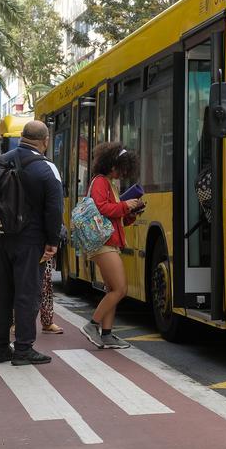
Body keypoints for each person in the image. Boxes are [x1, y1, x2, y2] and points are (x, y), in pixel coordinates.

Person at [0, 120, 63, 366]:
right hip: (31, 241)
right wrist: (52, 241)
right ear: (45, 141)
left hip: (0, 238)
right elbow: (54, 207)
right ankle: (23, 348)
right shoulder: (46, 168)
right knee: (27, 293)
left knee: (2, 293)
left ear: (22, 137)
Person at [79, 142, 143, 350]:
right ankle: (92, 325)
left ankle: (106, 334)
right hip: (104, 243)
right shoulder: (100, 182)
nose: (123, 173)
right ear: (112, 165)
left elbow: (117, 218)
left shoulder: (108, 183)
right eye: (121, 168)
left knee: (112, 289)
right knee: (120, 289)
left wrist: (130, 213)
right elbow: (102, 209)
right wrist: (126, 205)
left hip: (108, 241)